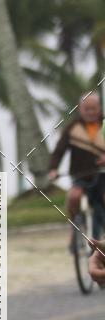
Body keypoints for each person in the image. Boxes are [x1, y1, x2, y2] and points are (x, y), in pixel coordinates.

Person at [48, 92, 105, 245]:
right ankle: (75, 225)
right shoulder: (72, 128)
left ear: (99, 108)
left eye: (94, 109)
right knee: (74, 197)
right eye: (87, 109)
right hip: (80, 176)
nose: (91, 112)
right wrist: (53, 169)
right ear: (80, 109)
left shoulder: (103, 124)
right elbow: (59, 150)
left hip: (102, 176)